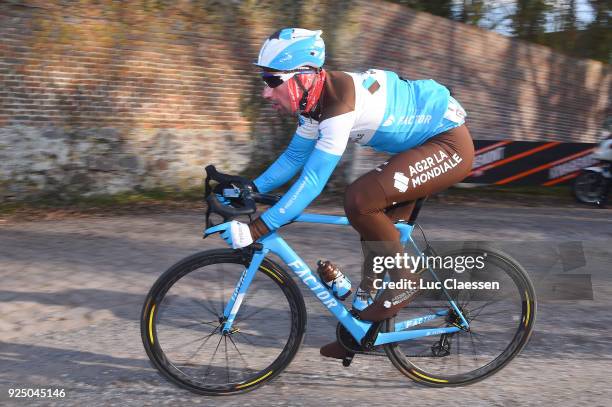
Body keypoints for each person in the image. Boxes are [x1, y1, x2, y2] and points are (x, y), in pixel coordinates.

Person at [217, 28, 475, 360]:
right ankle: (362, 333)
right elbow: (294, 158)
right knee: (377, 239)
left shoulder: (338, 104)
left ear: (303, 77)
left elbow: (312, 181)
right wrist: (249, 188)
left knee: (359, 200)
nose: (266, 93)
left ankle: (406, 280)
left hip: (448, 145)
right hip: (421, 145)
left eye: (272, 81)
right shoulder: (314, 103)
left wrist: (258, 228)